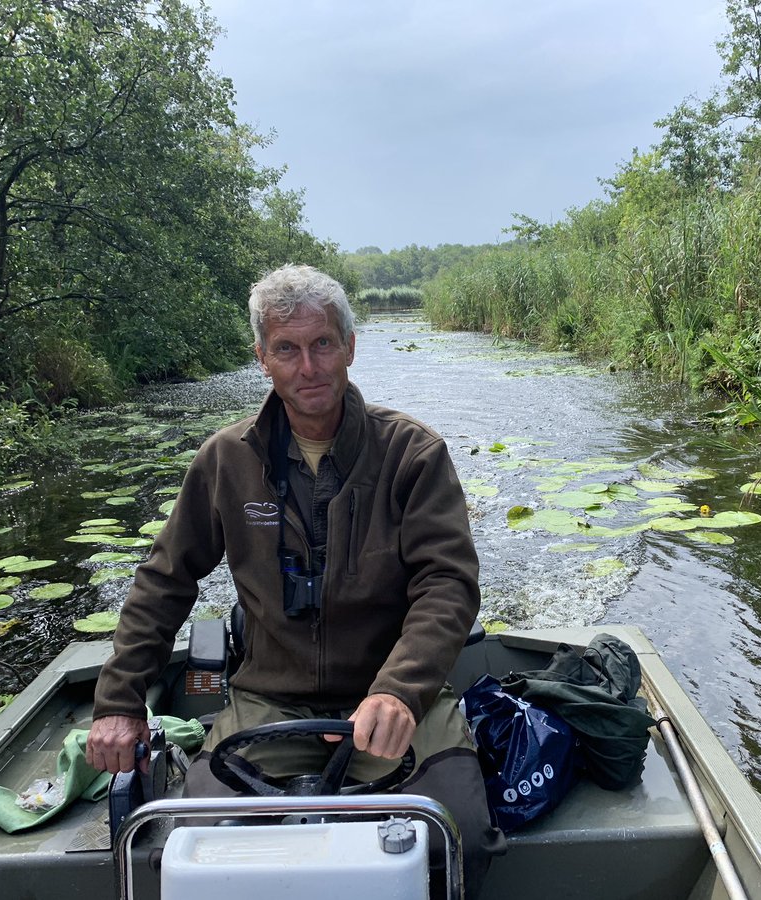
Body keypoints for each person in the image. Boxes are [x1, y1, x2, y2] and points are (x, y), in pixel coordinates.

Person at [86, 263, 504, 895]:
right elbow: (164, 580)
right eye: (287, 349)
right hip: (267, 704)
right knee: (187, 849)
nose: (308, 368)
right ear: (263, 359)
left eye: (322, 344)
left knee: (461, 835)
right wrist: (120, 702)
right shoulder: (226, 459)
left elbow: (447, 584)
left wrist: (400, 690)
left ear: (349, 348)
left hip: (394, 702)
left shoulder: (413, 454)